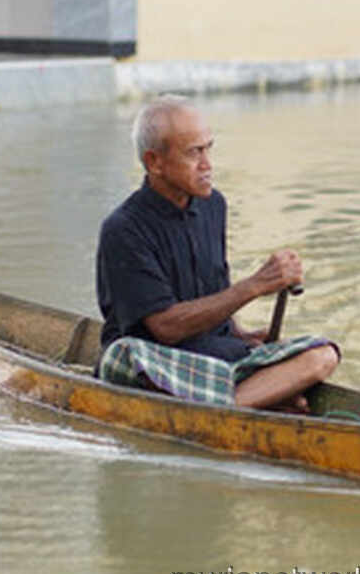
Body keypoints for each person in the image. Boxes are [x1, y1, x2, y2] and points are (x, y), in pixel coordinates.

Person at [96, 95, 339, 410]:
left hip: (212, 354)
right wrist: (255, 285)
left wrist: (244, 336)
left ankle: (231, 401)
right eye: (194, 153)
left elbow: (214, 293)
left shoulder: (213, 206)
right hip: (156, 361)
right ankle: (242, 402)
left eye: (209, 149)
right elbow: (166, 328)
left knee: (321, 355)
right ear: (154, 162)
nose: (208, 165)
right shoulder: (124, 228)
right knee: (122, 355)